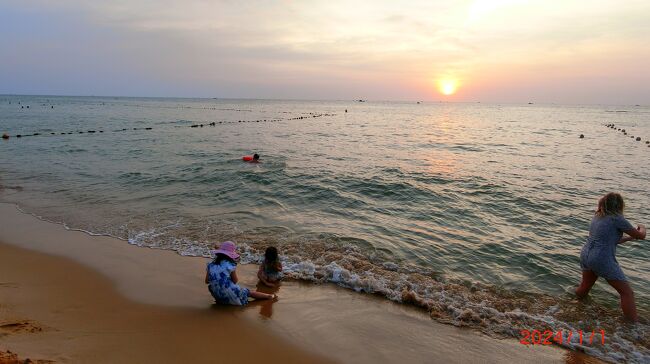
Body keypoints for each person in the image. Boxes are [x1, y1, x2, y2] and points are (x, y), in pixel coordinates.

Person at [576, 192, 646, 321]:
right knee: (627, 293)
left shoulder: (597, 216)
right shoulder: (617, 218)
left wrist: (630, 238)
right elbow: (641, 235)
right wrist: (642, 227)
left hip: (586, 254)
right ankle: (632, 326)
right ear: (619, 205)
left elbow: (611, 240)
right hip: (601, 258)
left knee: (585, 287)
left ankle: (574, 305)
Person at [205, 241, 277, 305]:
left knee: (212, 286)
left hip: (217, 295)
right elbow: (235, 280)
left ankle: (222, 299)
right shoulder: (230, 265)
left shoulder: (210, 265)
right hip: (229, 293)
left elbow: (207, 281)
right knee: (248, 292)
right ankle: (269, 296)